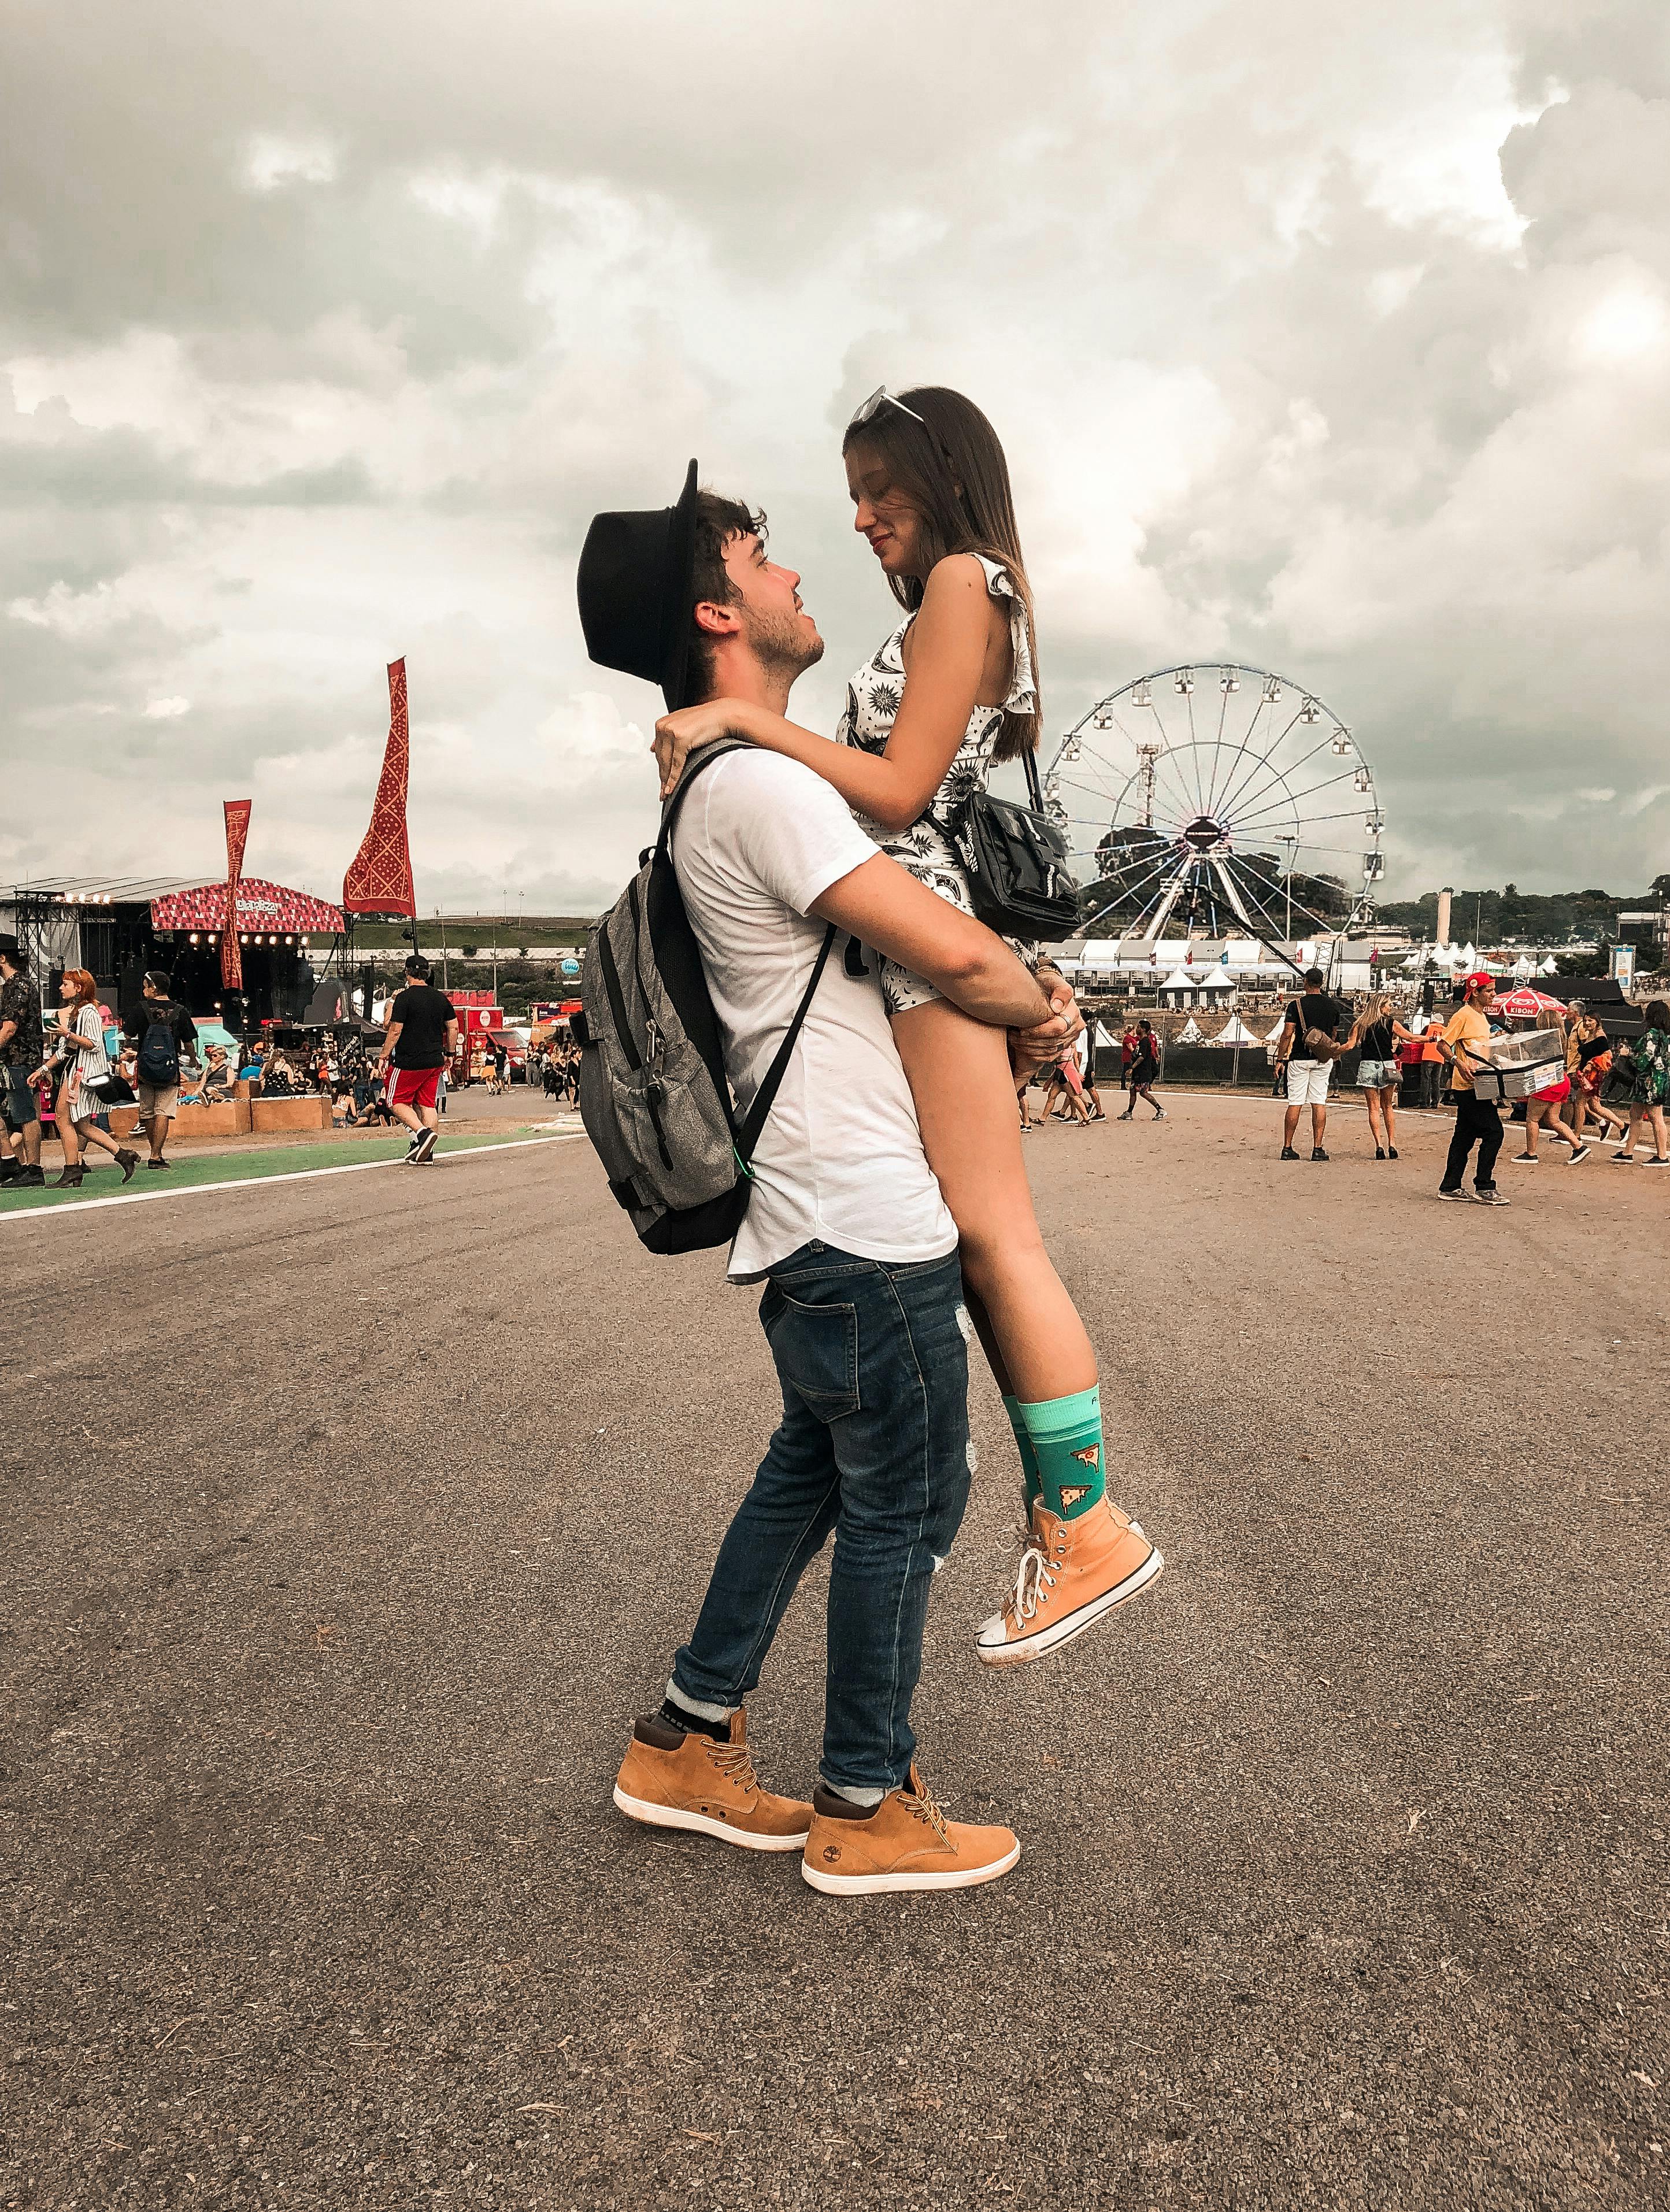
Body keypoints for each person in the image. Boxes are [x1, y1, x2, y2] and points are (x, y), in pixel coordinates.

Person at [582, 471, 1129, 1891]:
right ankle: (864, 1801)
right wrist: (1045, 1004)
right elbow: (943, 947)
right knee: (907, 1498)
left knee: (814, 1475)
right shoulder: (761, 781)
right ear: (718, 609)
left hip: (801, 1216)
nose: (794, 570)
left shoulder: (724, 777)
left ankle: (686, 1735)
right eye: (760, 556)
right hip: (861, 1216)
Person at [651, 397, 1161, 1668]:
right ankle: (1063, 1504)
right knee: (974, 1227)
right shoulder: (960, 592)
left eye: (881, 488)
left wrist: (742, 720)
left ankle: (1086, 1521)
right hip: (926, 922)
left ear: (942, 478)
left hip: (925, 921)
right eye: (854, 494)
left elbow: (895, 791)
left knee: (990, 1230)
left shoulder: (957, 585)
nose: (864, 517)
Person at [31, 969, 140, 1186]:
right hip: (78, 1073)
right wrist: (43, 1070)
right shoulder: (78, 1012)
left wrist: (67, 1034)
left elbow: (94, 1044)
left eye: (66, 984)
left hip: (83, 1074)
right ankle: (122, 1155)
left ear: (79, 988)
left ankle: (73, 1169)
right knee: (80, 1124)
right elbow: (65, 1050)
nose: (61, 988)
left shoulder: (89, 1011)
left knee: (63, 1118)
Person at [376, 953, 460, 1164]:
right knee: (427, 1104)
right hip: (434, 1061)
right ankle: (426, 1153)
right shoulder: (440, 997)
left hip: (409, 1061)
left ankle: (422, 1135)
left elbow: (394, 1030)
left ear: (407, 973)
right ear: (427, 973)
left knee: (394, 1101)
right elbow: (454, 1027)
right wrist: (450, 1053)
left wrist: (383, 1056)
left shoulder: (404, 998)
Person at [1435, 973, 1508, 1203]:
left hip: (1480, 1084)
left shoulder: (1481, 1016)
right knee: (1494, 1132)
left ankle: (1450, 1186)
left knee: (1464, 1137)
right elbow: (1443, 1044)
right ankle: (1484, 1186)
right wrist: (1457, 1062)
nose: (1494, 994)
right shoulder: (1463, 1015)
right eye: (1489, 990)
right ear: (1475, 992)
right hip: (1468, 1086)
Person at [121, 970, 198, 1170]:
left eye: (145, 986)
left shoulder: (141, 1008)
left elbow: (127, 1035)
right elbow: (189, 1041)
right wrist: (192, 1060)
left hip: (146, 1068)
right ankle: (156, 1155)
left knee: (147, 1111)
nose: (144, 990)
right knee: (163, 1110)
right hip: (169, 1068)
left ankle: (152, 1148)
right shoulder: (179, 1010)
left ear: (153, 987)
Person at [1275, 966, 1348, 1160]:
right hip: (1322, 1059)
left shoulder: (1295, 1005)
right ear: (1321, 983)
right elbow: (1333, 1034)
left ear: (1305, 982)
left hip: (1299, 1058)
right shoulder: (1332, 1006)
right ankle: (1318, 1148)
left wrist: (1281, 1059)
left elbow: (1287, 1035)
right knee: (1319, 1102)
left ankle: (1288, 1147)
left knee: (1295, 1102)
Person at [0, 935, 46, 1189]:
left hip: (20, 1059)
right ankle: (9, 1161)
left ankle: (33, 1167)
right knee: (18, 1114)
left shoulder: (19, 986)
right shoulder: (10, 986)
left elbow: (9, 1029)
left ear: (3, 958)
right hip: (11, 1060)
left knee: (26, 1116)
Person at [1354, 994, 1421, 1160]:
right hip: (1387, 1065)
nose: (1391, 1007)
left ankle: (1379, 1146)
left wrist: (1332, 1051)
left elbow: (1350, 1044)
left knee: (1373, 1107)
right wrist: (1432, 1039)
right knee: (1388, 1107)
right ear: (1381, 1006)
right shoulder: (1391, 1023)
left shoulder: (1361, 1024)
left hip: (1368, 1065)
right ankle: (1392, 1144)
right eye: (1389, 1005)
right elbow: (1411, 1038)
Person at [1507, 1014, 1580, 1164]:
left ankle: (1531, 1153)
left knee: (1532, 1119)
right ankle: (1579, 1147)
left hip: (1546, 1081)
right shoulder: (1561, 1037)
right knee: (1553, 1120)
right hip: (1561, 1080)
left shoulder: (1542, 1040)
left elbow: (1527, 1057)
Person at [1609, 999, 1670, 1166]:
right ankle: (1628, 1152)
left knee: (1654, 1117)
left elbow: (1644, 1061)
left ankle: (1662, 1156)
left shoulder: (1651, 1035)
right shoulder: (1664, 1037)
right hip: (1659, 1079)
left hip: (1649, 1082)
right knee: (1637, 1115)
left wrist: (1628, 1054)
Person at [1118, 1018, 1164, 1119]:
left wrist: (1132, 1068)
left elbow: (1141, 1057)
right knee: (1133, 1090)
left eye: (1138, 1027)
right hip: (1138, 1072)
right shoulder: (1140, 1041)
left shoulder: (1145, 1042)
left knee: (1144, 1093)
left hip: (1143, 1072)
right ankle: (1129, 1113)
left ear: (1143, 1029)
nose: (1137, 1029)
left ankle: (1160, 1110)